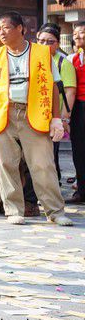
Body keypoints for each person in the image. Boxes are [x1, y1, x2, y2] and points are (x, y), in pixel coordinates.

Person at [0, 12, 71, 226]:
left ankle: (55, 211)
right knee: (6, 163)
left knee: (42, 164)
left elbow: (55, 87)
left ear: (21, 28)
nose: (1, 32)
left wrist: (56, 119)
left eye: (6, 27)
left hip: (34, 113)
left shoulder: (42, 53)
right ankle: (13, 210)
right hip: (3, 113)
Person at [36, 24, 76, 186]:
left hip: (53, 117)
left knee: (50, 154)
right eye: (41, 41)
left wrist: (64, 119)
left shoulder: (63, 63)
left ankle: (52, 187)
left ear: (58, 44)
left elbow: (69, 92)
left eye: (50, 42)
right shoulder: (33, 59)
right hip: (34, 115)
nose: (44, 45)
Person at [67, 21, 85, 204]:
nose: (78, 37)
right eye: (75, 35)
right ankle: (81, 190)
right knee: (78, 149)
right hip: (79, 107)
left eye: (82, 33)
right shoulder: (71, 59)